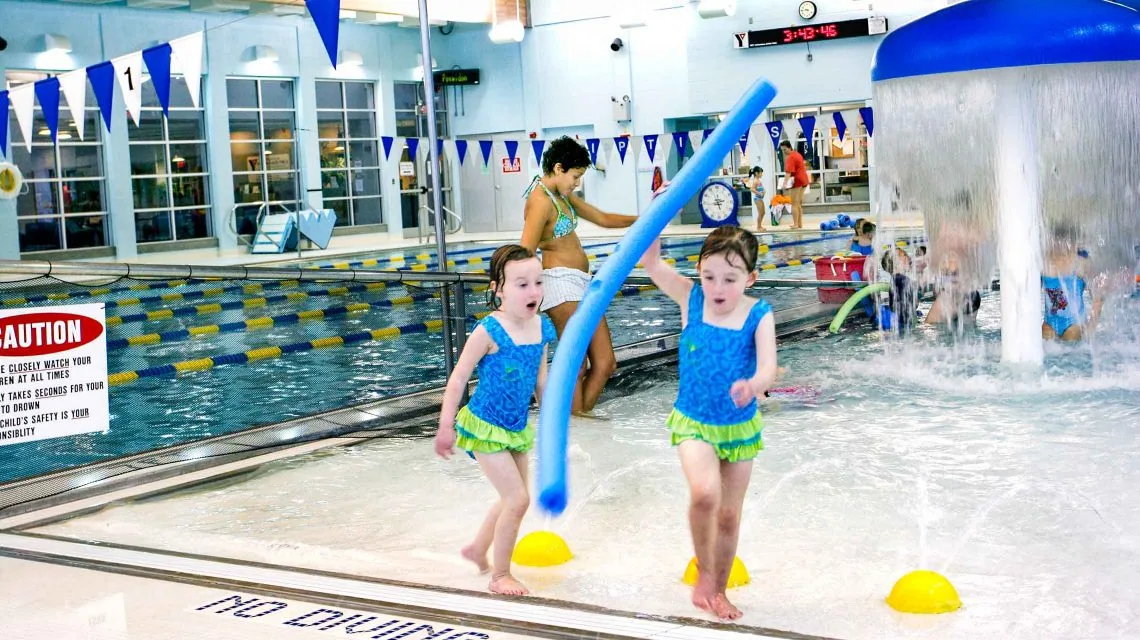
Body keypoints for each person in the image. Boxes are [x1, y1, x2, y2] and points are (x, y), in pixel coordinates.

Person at [640, 226, 779, 621]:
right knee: (704, 494)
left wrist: (754, 385)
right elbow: (651, 262)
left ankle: (719, 591)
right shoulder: (691, 298)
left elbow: (769, 368)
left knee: (729, 515)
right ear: (699, 271)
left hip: (739, 426)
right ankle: (704, 570)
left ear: (750, 278)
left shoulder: (758, 314)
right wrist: (659, 215)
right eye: (709, 276)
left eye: (730, 279)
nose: (718, 288)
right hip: (694, 420)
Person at [434, 244, 557, 597]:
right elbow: (458, 377)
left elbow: (541, 381)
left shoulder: (541, 326)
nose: (533, 292)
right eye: (522, 284)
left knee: (512, 499)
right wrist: (445, 426)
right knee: (518, 500)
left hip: (515, 427)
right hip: (484, 425)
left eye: (538, 282)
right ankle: (500, 575)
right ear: (497, 289)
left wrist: (552, 424)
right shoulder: (489, 330)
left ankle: (477, 549)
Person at [520, 136, 638, 416]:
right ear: (558, 168)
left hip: (582, 283)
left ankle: (576, 421)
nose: (577, 183)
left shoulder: (562, 196)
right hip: (559, 284)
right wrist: (524, 297)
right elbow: (525, 250)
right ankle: (575, 425)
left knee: (606, 363)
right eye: (575, 176)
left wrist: (647, 217)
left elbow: (603, 218)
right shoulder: (540, 200)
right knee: (576, 364)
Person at [1041, 227, 1103, 341]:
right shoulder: (1043, 261)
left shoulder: (1081, 262)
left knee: (1068, 347)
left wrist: (1091, 327)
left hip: (1074, 325)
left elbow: (1098, 297)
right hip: (1050, 323)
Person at [880, 247, 919, 333]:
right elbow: (914, 304)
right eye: (904, 255)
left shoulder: (894, 280)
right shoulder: (903, 280)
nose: (908, 256)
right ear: (896, 262)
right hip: (904, 324)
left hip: (899, 323)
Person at [779, 140, 809, 230]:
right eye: (782, 150)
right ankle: (799, 224)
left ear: (790, 148)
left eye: (785, 149)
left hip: (797, 181)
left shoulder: (790, 157)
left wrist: (784, 184)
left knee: (794, 204)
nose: (784, 152)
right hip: (804, 180)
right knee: (798, 203)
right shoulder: (797, 154)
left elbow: (788, 172)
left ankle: (795, 224)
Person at [744, 166, 767, 232]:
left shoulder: (758, 180)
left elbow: (759, 188)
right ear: (756, 173)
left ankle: (760, 226)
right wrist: (759, 193)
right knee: (760, 213)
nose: (761, 174)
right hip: (757, 199)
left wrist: (763, 191)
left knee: (763, 212)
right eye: (761, 173)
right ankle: (758, 227)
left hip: (760, 198)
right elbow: (752, 189)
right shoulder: (755, 181)